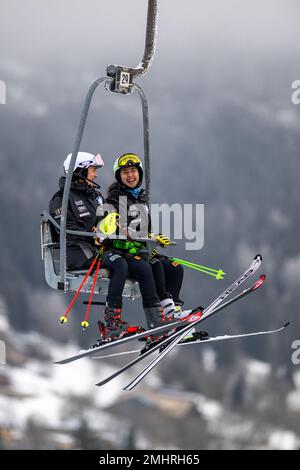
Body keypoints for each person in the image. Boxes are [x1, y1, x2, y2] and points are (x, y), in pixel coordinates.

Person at [49, 152, 142, 340]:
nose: (96, 174)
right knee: (119, 264)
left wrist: (114, 226)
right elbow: (64, 229)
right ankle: (111, 322)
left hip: (98, 249)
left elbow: (103, 221)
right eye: (92, 170)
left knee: (135, 262)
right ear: (80, 171)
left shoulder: (96, 196)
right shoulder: (62, 198)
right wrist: (93, 234)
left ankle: (161, 311)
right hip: (78, 252)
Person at [98, 152, 193, 334]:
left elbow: (141, 229)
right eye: (125, 172)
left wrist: (152, 238)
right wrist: (147, 239)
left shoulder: (140, 199)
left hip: (140, 249)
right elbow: (120, 229)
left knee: (175, 268)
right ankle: (156, 319)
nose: (130, 175)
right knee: (149, 267)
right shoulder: (115, 200)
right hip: (122, 250)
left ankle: (173, 312)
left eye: (133, 171)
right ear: (119, 177)